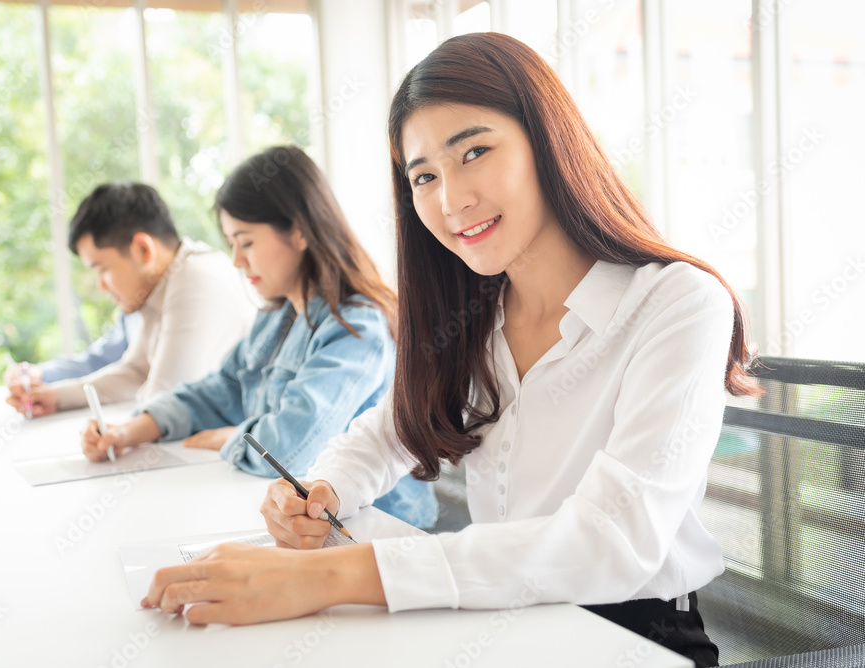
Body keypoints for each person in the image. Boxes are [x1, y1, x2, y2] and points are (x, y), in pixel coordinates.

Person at [139, 34, 759, 667]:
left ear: (548, 142)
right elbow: (390, 433)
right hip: (501, 619)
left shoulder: (679, 304)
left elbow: (613, 541)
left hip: (634, 637)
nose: (449, 199)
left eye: (475, 152)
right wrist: (324, 488)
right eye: (425, 176)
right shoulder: (474, 317)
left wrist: (322, 578)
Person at [81, 146, 437, 529]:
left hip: (382, 530)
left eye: (246, 242)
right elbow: (219, 390)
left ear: (299, 231)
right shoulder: (277, 317)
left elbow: (290, 447)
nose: (236, 259)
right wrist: (132, 430)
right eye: (231, 243)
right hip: (310, 523)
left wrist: (232, 437)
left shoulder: (356, 327)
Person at [6, 182, 255, 416]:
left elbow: (161, 401)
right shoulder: (162, 284)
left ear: (143, 250)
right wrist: (56, 397)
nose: (101, 286)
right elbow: (136, 372)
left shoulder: (195, 278)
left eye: (102, 268)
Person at [4, 310, 141, 386]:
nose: (102, 287)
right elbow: (98, 361)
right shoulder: (131, 314)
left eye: (103, 269)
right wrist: (41, 373)